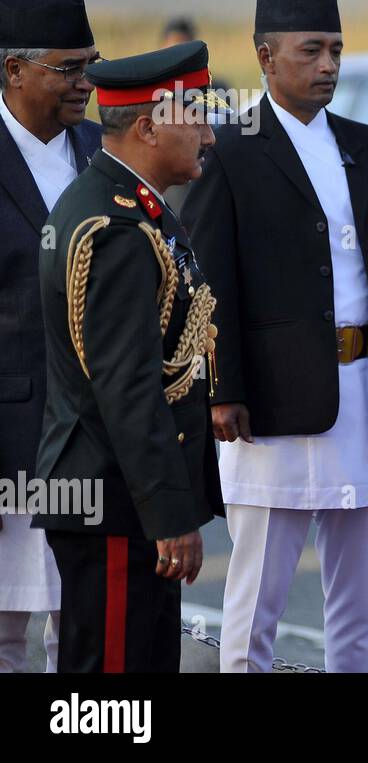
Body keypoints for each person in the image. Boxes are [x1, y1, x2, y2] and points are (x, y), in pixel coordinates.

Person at [182, 0, 368, 673]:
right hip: (270, 404)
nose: (328, 64)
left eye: (336, 49)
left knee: (360, 607)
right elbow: (208, 281)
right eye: (310, 50)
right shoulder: (228, 149)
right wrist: (222, 388)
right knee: (256, 603)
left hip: (367, 394)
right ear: (265, 56)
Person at [33, 40, 224, 672]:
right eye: (195, 114)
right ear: (148, 126)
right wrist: (169, 514)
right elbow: (129, 386)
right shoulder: (114, 229)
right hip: (116, 501)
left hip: (124, 497)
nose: (209, 133)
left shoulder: (134, 207)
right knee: (112, 686)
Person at [0, 0, 101, 673]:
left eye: (90, 64)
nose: (85, 83)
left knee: (87, 629)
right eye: (67, 68)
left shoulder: (103, 151)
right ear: (13, 70)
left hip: (96, 443)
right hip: (11, 445)